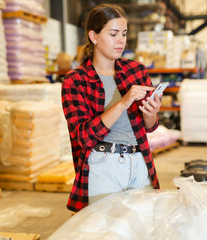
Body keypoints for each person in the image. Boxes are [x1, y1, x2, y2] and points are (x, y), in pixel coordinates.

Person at [61, 4, 161, 213]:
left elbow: (149, 127)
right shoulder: (75, 80)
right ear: (94, 36)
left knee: (143, 227)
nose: (121, 40)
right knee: (106, 230)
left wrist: (151, 114)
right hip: (102, 165)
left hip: (139, 160)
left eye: (124, 34)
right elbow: (84, 136)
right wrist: (123, 103)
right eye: (113, 34)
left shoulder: (136, 71)